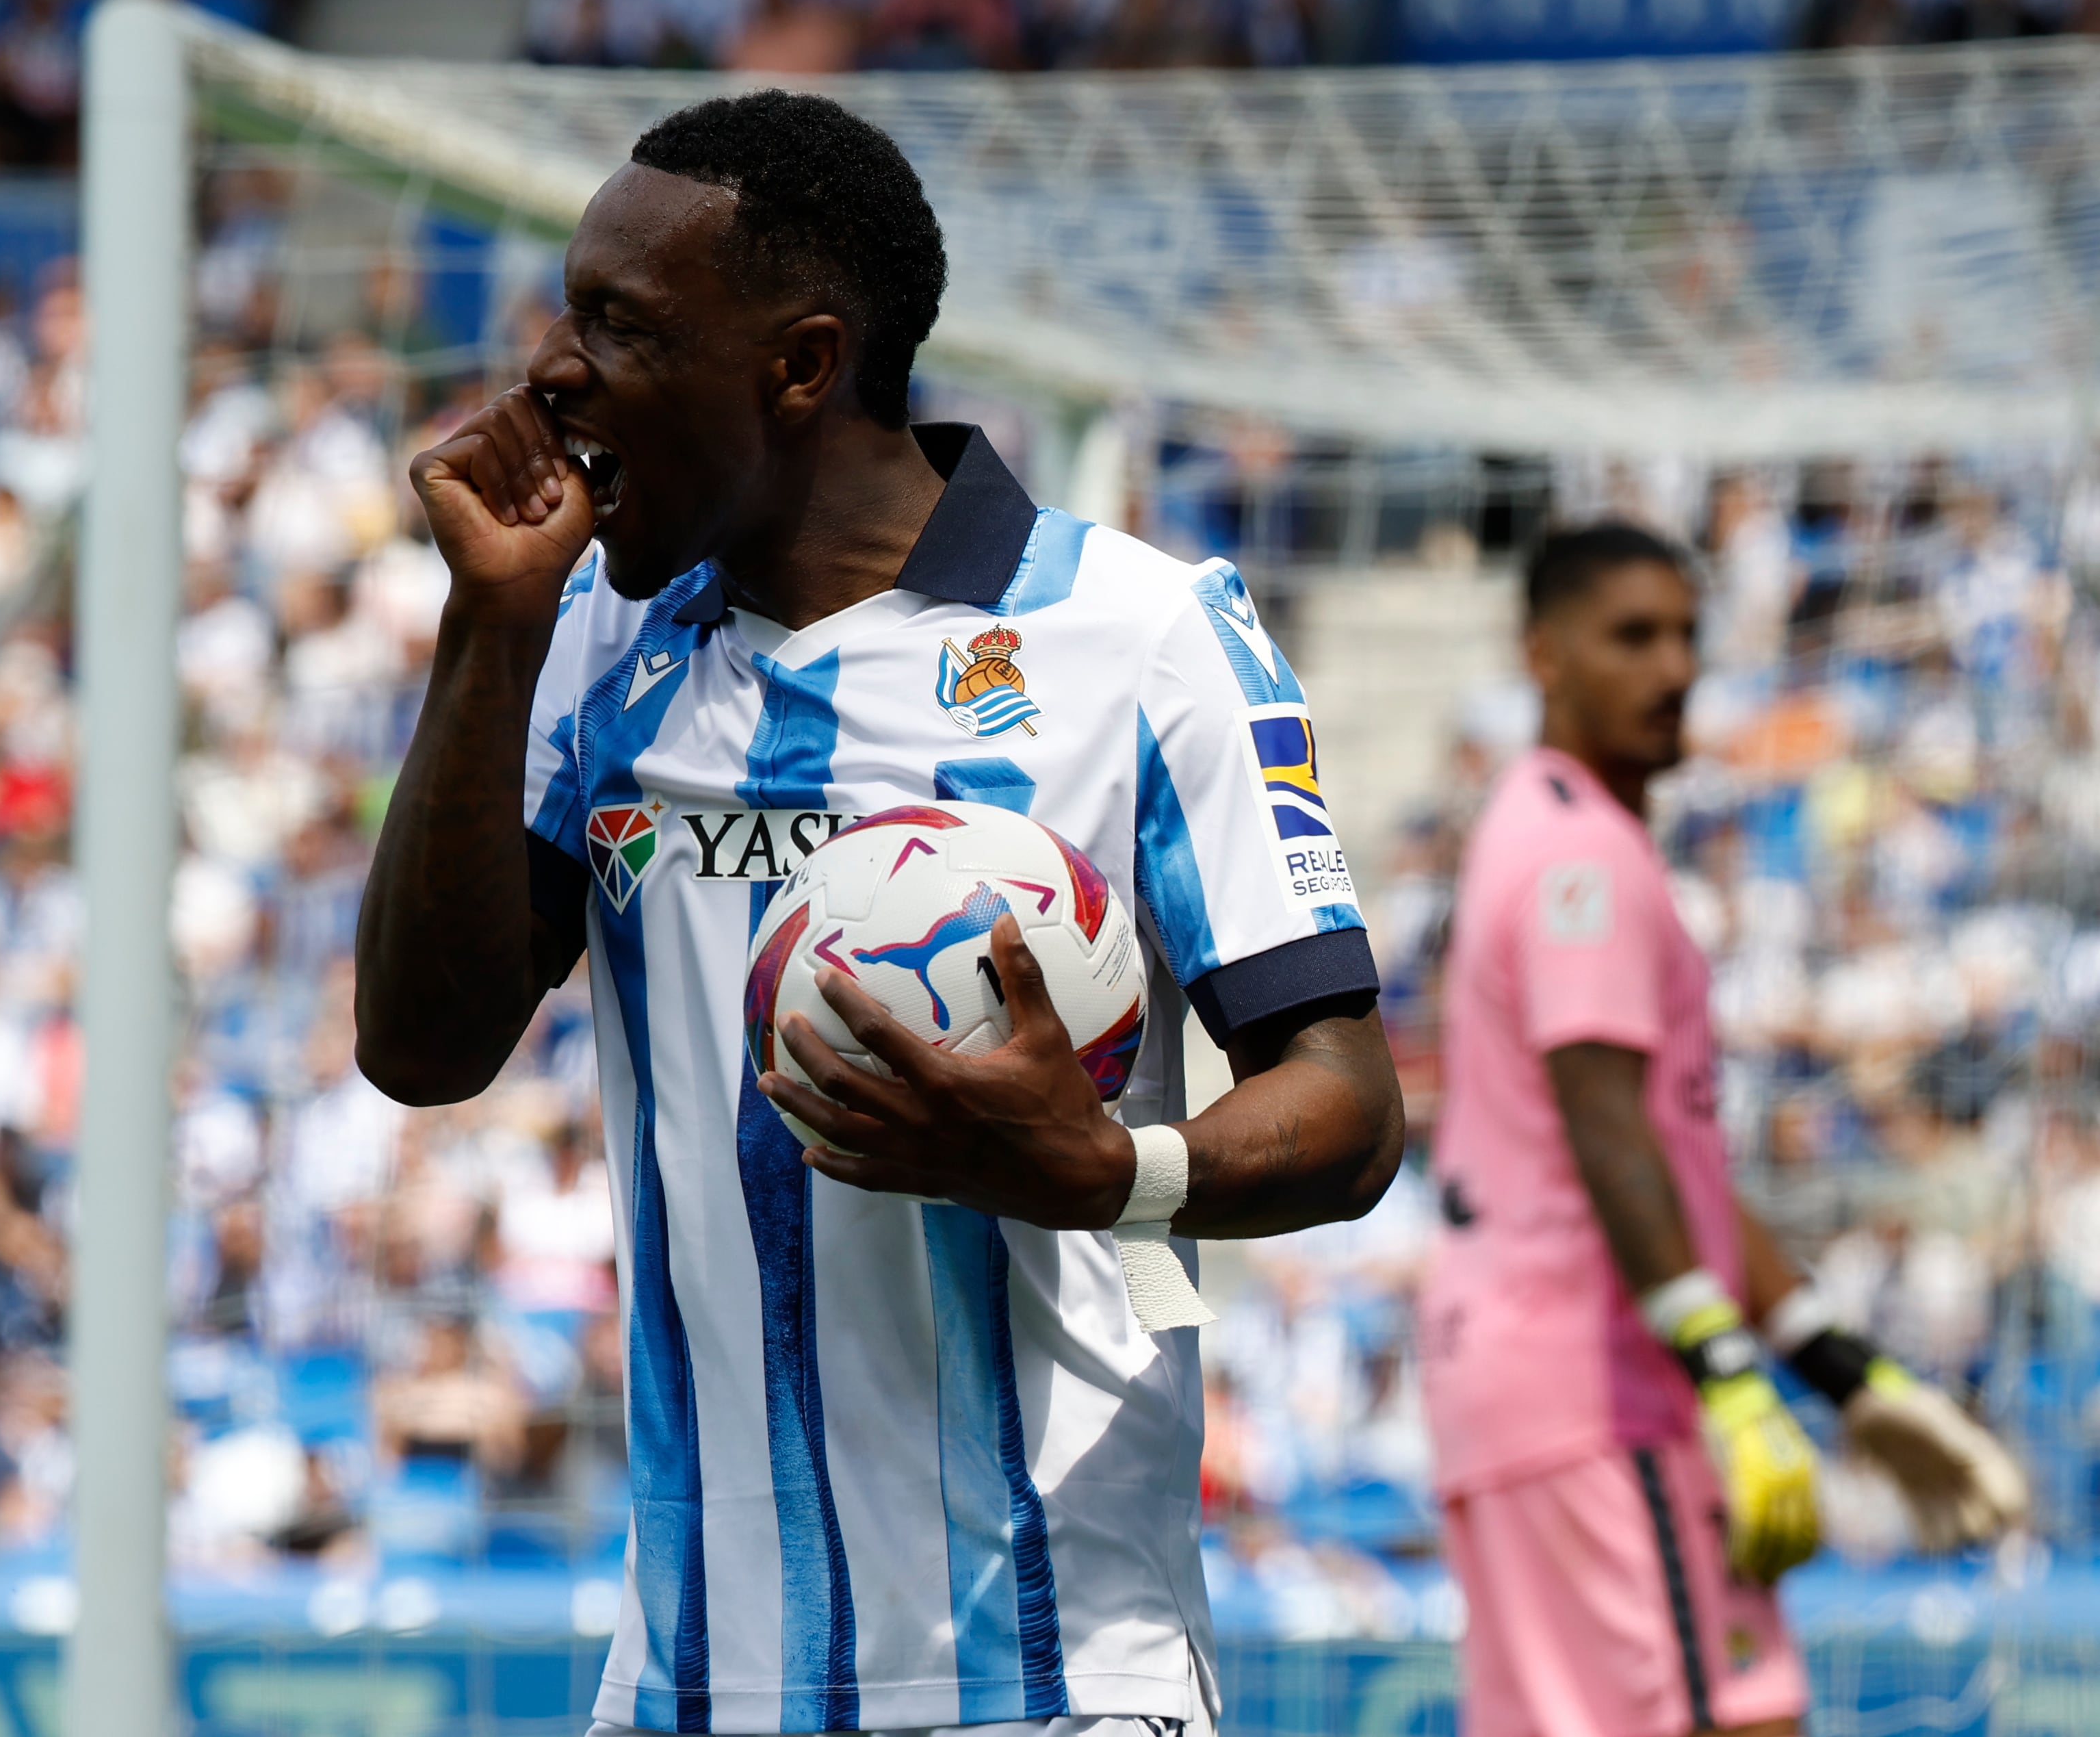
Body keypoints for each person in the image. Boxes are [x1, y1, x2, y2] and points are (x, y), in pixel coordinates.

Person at [357, 90, 1404, 1737]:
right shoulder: (588, 650)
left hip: (1053, 1681)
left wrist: (1105, 1171)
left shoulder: (1139, 635)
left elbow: (1348, 1107)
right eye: (569, 313)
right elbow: (419, 1054)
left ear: (800, 364)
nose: (553, 370)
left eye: (619, 325)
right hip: (689, 1684)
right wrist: (483, 632)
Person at [1417, 523, 2027, 1737]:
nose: (1673, 669)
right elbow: (1606, 1131)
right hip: (1600, 1395)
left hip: (1529, 1388)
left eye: (1688, 636)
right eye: (1631, 637)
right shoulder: (1579, 854)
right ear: (1543, 654)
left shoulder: (1546, 830)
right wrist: (1727, 1371)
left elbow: (1671, 1161)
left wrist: (1835, 1368)